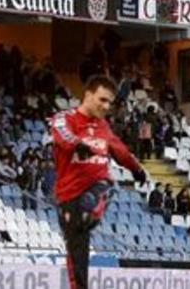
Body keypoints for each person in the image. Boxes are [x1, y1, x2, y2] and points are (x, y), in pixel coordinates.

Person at [50, 76, 146, 289]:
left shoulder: (104, 127)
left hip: (96, 186)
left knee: (91, 201)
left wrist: (136, 169)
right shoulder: (65, 118)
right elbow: (61, 135)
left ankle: (100, 199)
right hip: (68, 196)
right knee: (77, 253)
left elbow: (120, 150)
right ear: (88, 95)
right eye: (102, 100)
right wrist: (77, 144)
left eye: (109, 102)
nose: (106, 106)